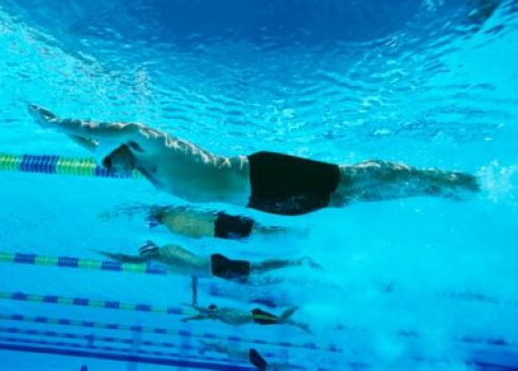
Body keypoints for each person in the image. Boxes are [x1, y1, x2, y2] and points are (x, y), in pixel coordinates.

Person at [29, 104, 479, 216]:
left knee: (351, 178)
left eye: (110, 161)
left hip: (262, 172)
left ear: (120, 153)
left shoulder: (149, 145)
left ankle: (445, 178)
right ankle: (432, 190)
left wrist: (57, 123)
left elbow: (124, 130)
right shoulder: (140, 168)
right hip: (259, 202)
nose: (109, 167)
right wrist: (64, 134)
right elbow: (96, 147)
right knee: (346, 200)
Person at [98, 240, 321, 283]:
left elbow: (128, 259)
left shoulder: (160, 254)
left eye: (147, 255)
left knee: (258, 271)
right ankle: (294, 267)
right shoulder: (167, 254)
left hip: (215, 267)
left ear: (150, 251)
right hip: (214, 266)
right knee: (253, 276)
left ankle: (298, 262)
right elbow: (191, 269)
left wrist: (104, 253)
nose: (146, 258)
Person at [146, 206, 288, 239]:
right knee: (257, 227)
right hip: (217, 219)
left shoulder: (172, 228)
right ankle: (286, 230)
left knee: (257, 231)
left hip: (216, 230)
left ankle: (287, 232)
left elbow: (196, 237)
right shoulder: (173, 211)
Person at [182, 303, 312, 333]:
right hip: (256, 318)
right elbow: (202, 316)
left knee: (280, 320)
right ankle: (302, 325)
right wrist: (190, 319)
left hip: (255, 316)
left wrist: (196, 306)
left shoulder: (220, 312)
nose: (211, 317)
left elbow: (205, 312)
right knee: (281, 321)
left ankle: (297, 305)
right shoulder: (219, 316)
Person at [198, 342, 291, 371]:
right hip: (248, 357)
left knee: (225, 349)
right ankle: (206, 346)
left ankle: (206, 346)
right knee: (225, 349)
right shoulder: (265, 365)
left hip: (248, 357)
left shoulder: (264, 365)